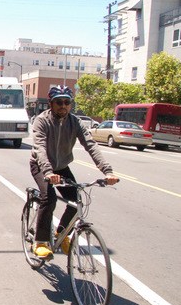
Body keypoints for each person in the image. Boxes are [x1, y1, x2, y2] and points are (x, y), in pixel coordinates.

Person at [30, 85, 119, 260]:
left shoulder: (75, 122)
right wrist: (48, 172)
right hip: (41, 166)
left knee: (76, 200)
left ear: (70, 104)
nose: (63, 105)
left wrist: (107, 171)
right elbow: (40, 147)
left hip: (61, 166)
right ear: (51, 103)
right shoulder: (42, 120)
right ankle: (40, 242)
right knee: (49, 198)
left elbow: (91, 145)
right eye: (59, 102)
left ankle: (62, 234)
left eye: (66, 102)